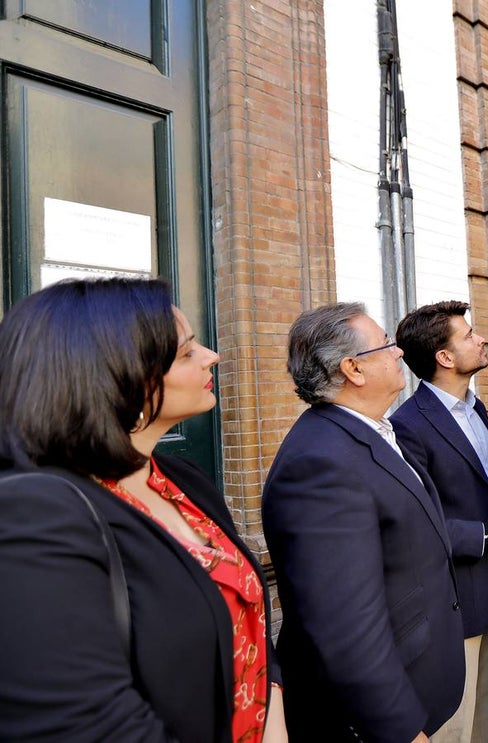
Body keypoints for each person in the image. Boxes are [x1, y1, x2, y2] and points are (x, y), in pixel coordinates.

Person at [0, 277, 285, 743]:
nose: (212, 356)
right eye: (188, 352)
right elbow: (90, 724)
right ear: (117, 374)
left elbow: (247, 616)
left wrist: (273, 704)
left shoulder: (184, 480)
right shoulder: (34, 514)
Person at [262, 302, 464, 743]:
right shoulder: (320, 463)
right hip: (374, 719)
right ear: (353, 368)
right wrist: (401, 728)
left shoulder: (370, 429)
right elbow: (344, 625)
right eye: (386, 345)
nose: (398, 354)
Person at [391, 300, 488, 743]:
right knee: (457, 716)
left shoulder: (476, 407)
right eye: (468, 335)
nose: (480, 338)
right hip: (455, 593)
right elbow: (416, 522)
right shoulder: (408, 425)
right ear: (444, 358)